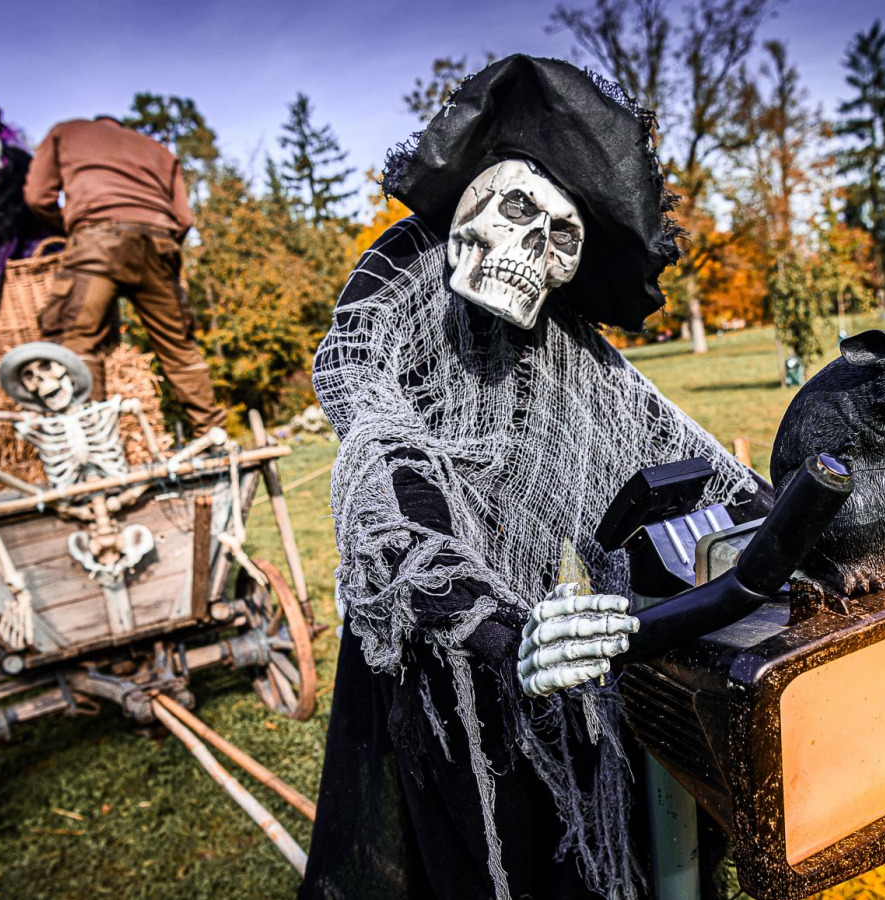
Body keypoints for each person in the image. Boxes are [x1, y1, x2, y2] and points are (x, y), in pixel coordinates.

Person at [301, 56, 771, 900]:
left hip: (557, 637)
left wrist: (779, 513)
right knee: (465, 857)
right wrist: (486, 618)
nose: (529, 252)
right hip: (441, 649)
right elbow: (372, 421)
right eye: (517, 210)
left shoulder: (561, 336)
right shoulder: (403, 276)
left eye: (560, 237)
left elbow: (663, 431)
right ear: (473, 201)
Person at [23, 116, 226, 436]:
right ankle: (213, 434)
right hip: (159, 245)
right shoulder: (157, 149)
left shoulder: (66, 132)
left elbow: (38, 197)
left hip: (96, 243)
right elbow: (184, 218)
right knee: (179, 348)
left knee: (78, 346)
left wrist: (72, 233)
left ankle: (94, 445)